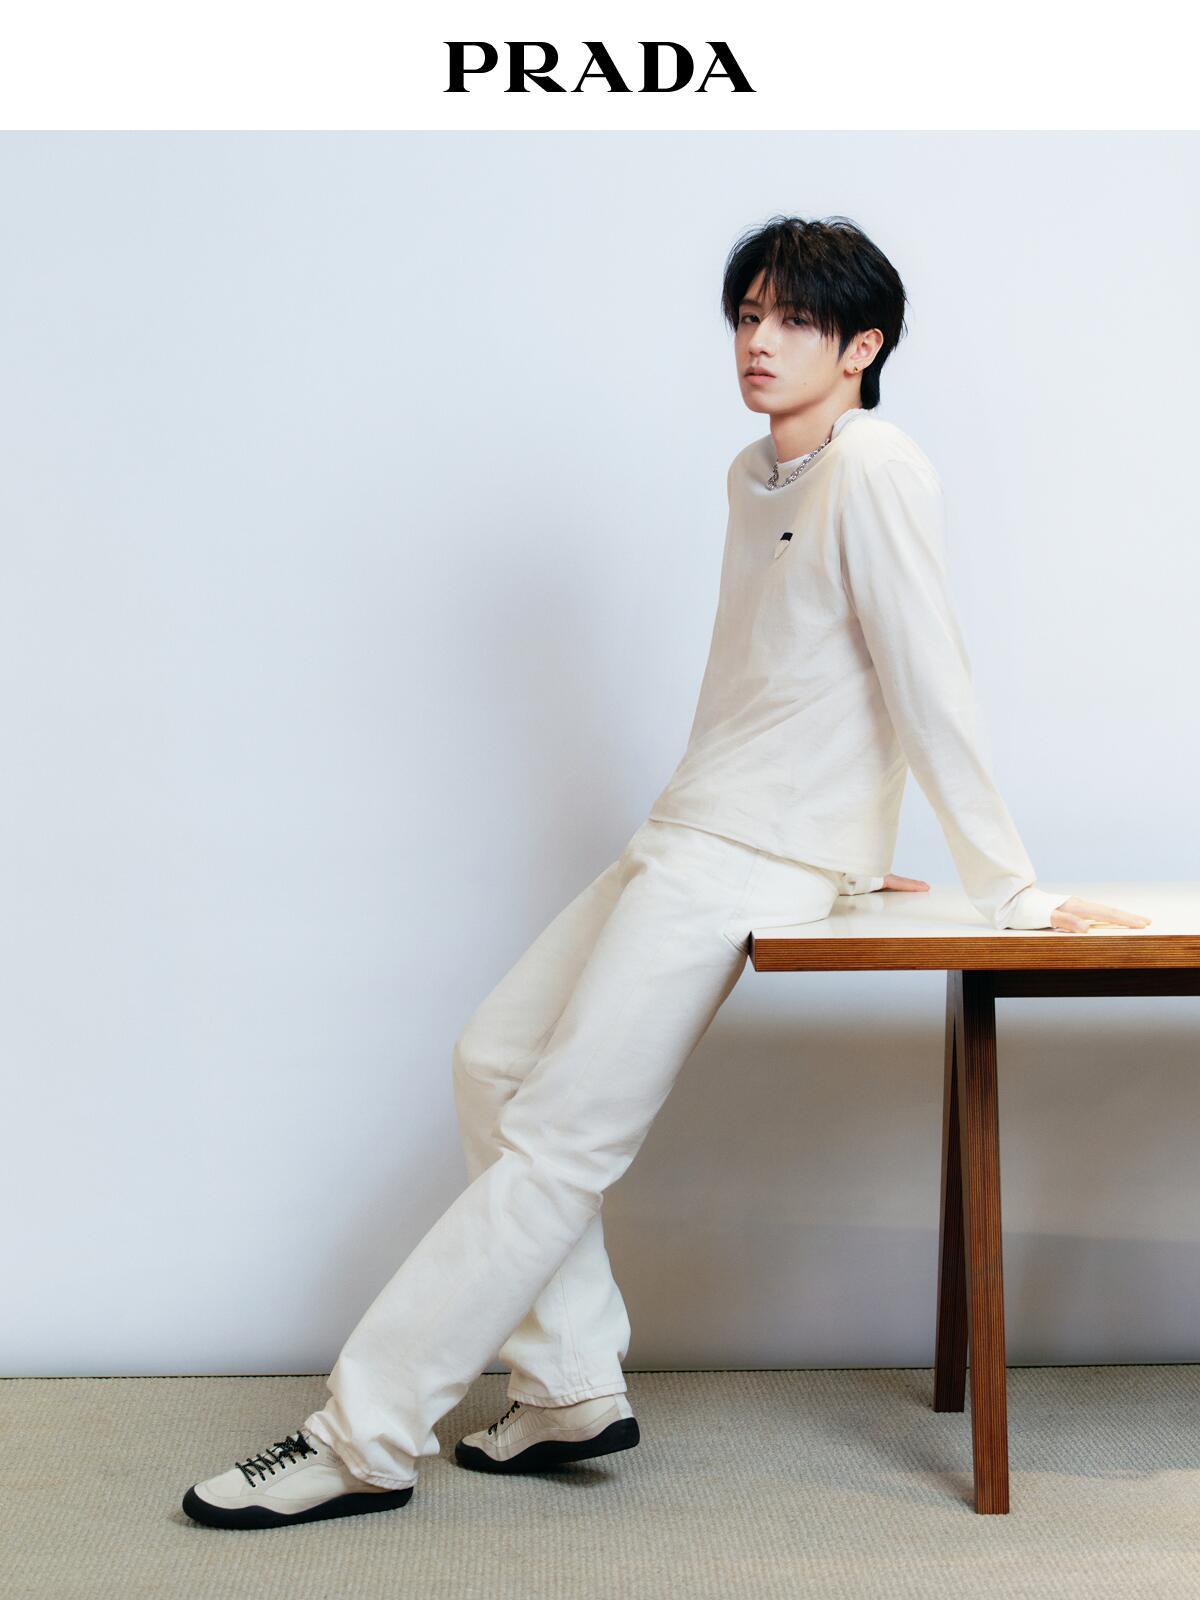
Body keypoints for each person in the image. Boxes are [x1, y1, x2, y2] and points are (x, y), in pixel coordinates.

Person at [182, 214, 1151, 1530]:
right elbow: (782, 682)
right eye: (748, 315)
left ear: (863, 347)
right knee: (492, 1061)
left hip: (748, 856)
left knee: (557, 1140)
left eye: (795, 319)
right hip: (696, 825)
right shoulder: (756, 473)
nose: (759, 340)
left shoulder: (877, 467)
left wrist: (1007, 886)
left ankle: (363, 1436)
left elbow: (930, 679)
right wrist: (851, 852)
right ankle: (571, 1387)